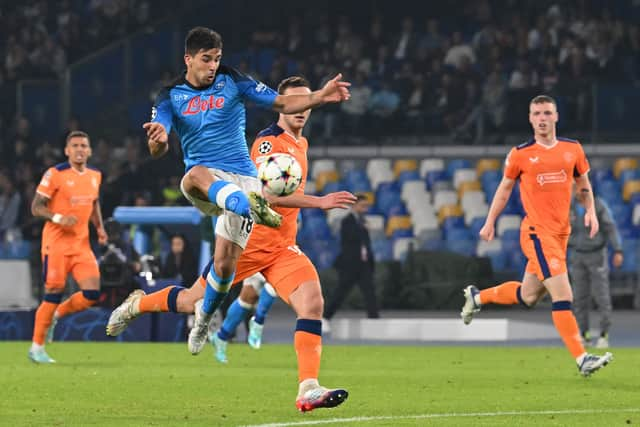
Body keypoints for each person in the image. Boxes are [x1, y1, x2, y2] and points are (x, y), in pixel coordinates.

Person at [108, 76, 356, 412]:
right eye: (296, 102)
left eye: (308, 102)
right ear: (282, 106)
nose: (303, 109)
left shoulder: (303, 144)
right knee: (189, 301)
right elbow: (264, 195)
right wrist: (320, 201)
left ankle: (308, 387)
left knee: (312, 302)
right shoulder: (269, 143)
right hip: (248, 241)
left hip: (282, 246)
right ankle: (137, 305)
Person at [141, 27, 350, 355]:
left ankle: (201, 320)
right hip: (208, 185)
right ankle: (244, 206)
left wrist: (321, 96)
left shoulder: (233, 80)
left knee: (218, 278)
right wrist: (159, 141)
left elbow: (280, 101)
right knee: (194, 173)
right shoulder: (169, 96)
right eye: (206, 59)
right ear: (189, 59)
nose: (213, 65)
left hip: (243, 185)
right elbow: (159, 144)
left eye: (217, 59)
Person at [460, 95, 613, 377]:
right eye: (536, 113)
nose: (542, 118)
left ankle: (478, 297)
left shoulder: (572, 149)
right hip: (537, 234)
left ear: (556, 116)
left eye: (546, 113)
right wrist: (490, 221)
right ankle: (582, 359)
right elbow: (505, 189)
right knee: (564, 294)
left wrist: (590, 210)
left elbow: (583, 182)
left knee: (528, 295)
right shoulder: (520, 154)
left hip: (561, 234)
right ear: (530, 119)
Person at [28, 130, 107, 363]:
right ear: (67, 151)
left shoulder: (95, 175)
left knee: (92, 293)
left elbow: (94, 203)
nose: (80, 149)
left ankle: (57, 315)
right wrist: (58, 218)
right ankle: (37, 347)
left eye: (84, 145)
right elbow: (36, 206)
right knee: (53, 291)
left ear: (89, 151)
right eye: (75, 146)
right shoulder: (55, 174)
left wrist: (100, 228)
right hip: (56, 245)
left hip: (81, 245)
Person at [568, 193, 623, 349]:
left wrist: (618, 250)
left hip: (596, 254)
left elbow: (610, 228)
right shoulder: (568, 205)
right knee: (579, 298)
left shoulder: (598, 205)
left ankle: (603, 335)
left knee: (601, 297)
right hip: (577, 255)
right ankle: (584, 334)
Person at [323, 194, 379, 330]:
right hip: (350, 265)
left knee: (370, 292)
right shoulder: (347, 221)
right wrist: (362, 228)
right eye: (362, 206)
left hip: (363, 264)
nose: (365, 209)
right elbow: (349, 240)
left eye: (366, 206)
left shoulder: (363, 221)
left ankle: (374, 320)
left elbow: (366, 244)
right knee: (341, 292)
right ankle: (325, 317)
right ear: (354, 205)